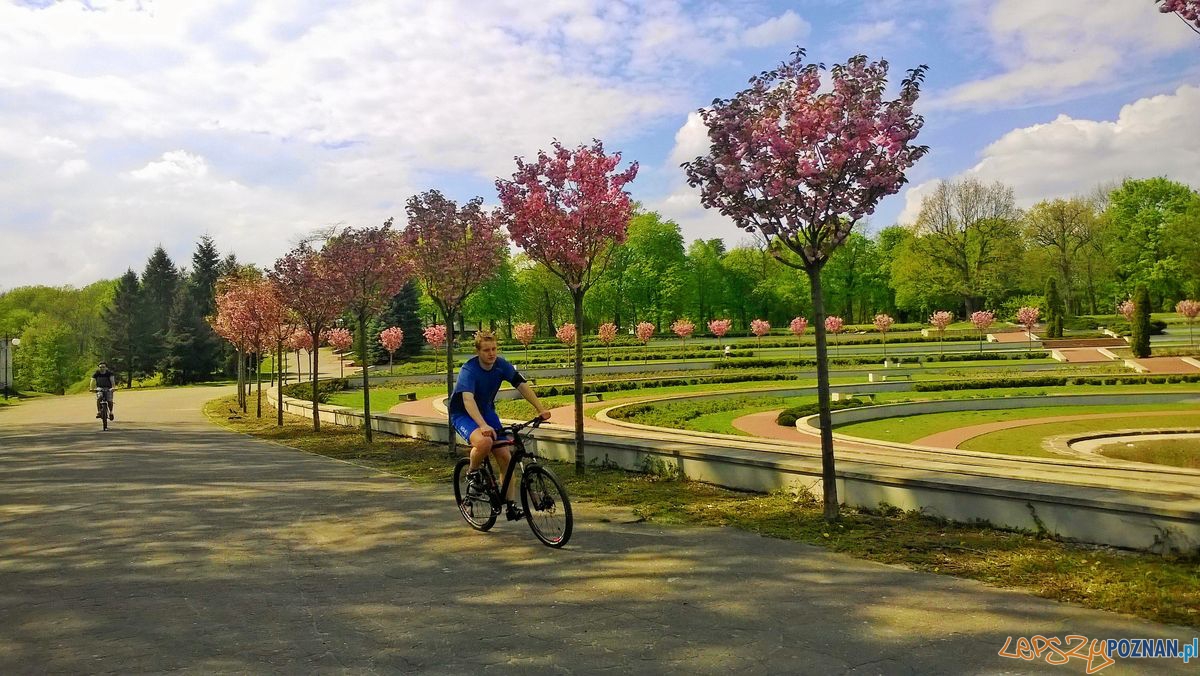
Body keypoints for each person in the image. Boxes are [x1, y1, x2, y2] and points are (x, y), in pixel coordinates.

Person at [451, 331, 550, 521]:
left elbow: (520, 384)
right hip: (463, 413)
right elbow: (468, 400)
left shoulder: (500, 365)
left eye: (494, 349)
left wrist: (541, 409)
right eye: (486, 350)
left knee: (506, 456)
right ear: (478, 351)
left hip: (486, 411)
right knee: (484, 443)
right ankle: (472, 474)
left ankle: (511, 505)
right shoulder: (469, 370)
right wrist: (482, 425)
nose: (491, 353)